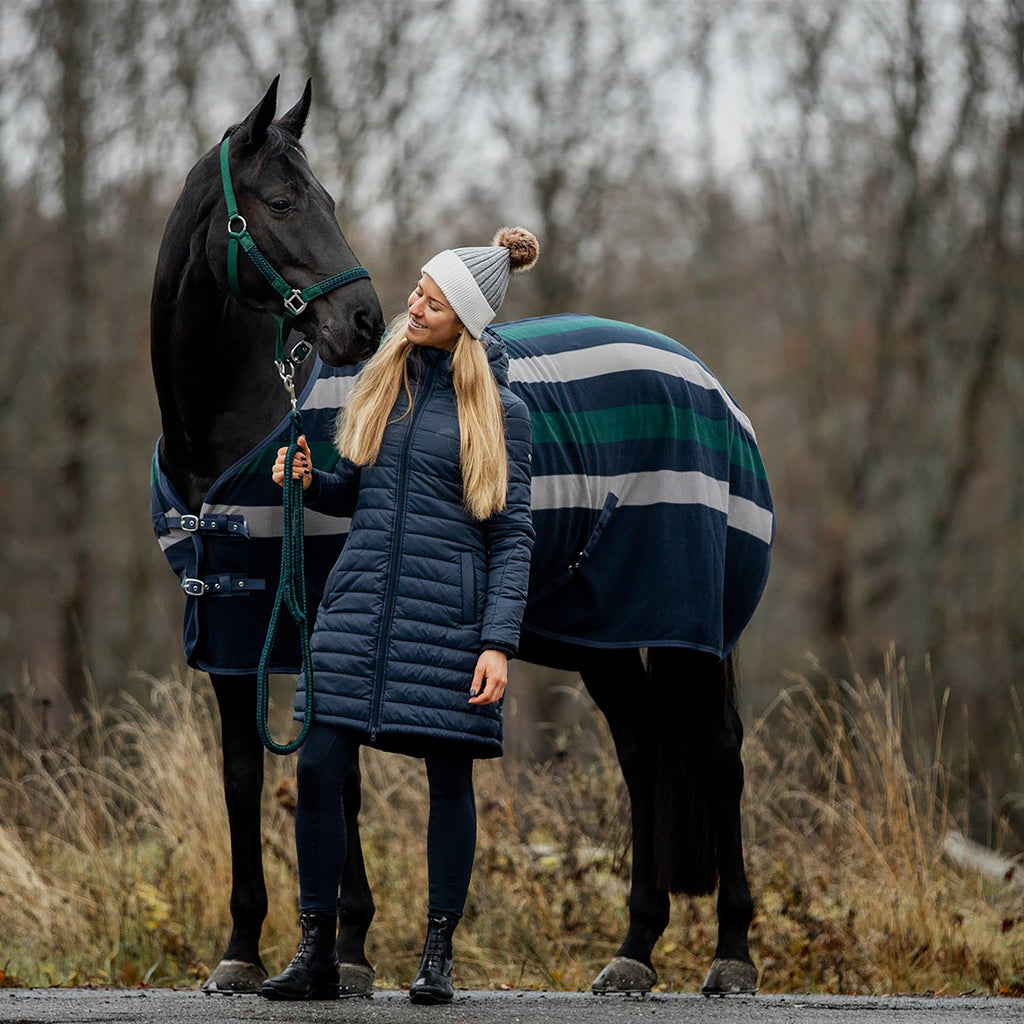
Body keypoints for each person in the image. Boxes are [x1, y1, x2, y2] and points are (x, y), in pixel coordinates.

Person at [262, 228, 539, 1004]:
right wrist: (313, 482)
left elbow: (513, 534)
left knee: (450, 779)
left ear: (467, 322)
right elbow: (359, 493)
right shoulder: (383, 383)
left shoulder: (503, 414)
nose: (413, 306)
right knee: (318, 767)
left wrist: (498, 643)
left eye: (433, 301)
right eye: (418, 290)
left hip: (448, 621)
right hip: (356, 610)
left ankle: (437, 955)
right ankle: (317, 950)